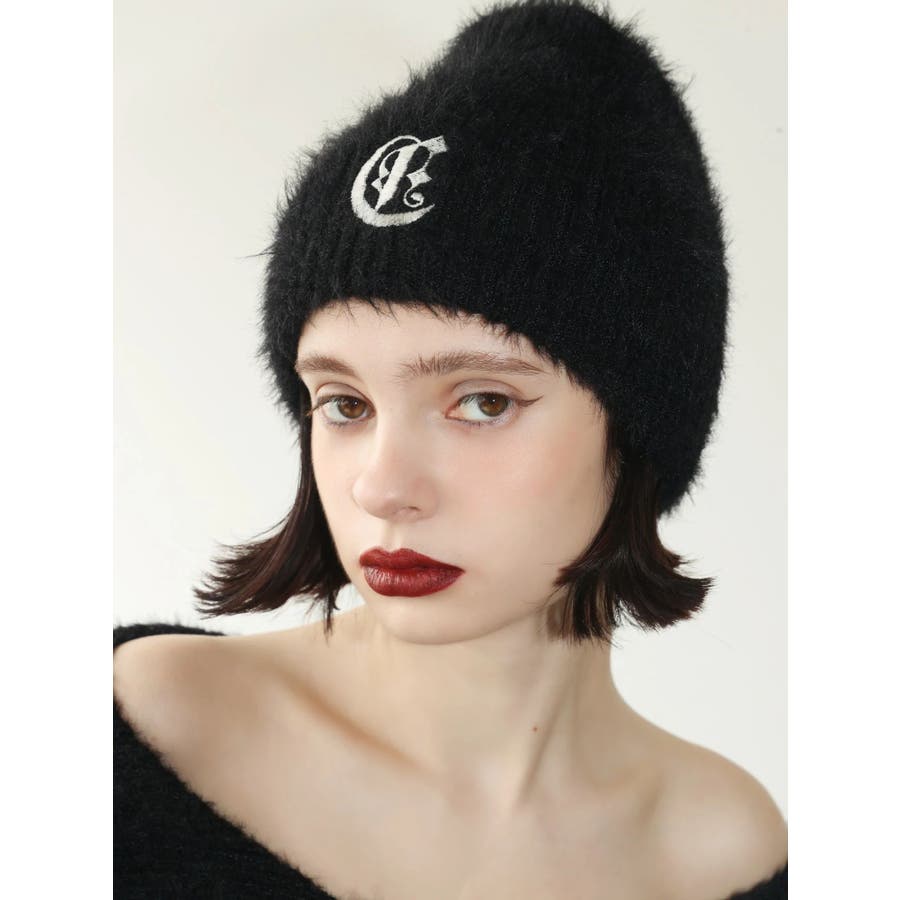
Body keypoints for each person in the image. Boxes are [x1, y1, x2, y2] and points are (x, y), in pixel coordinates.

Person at [114, 1, 788, 897]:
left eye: (481, 402)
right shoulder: (138, 731)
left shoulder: (721, 850)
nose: (383, 487)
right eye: (344, 404)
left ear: (640, 425)